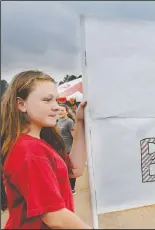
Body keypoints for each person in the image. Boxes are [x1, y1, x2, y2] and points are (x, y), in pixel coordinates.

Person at [1, 70, 92, 229]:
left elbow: (75, 169)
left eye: (56, 100)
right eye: (47, 100)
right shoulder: (29, 151)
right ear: (21, 104)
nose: (56, 107)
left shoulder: (39, 143)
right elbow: (54, 216)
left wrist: (80, 122)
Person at [57, 104, 77, 195]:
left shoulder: (69, 122)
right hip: (60, 150)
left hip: (69, 149)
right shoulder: (57, 122)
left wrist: (75, 148)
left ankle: (72, 188)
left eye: (62, 110)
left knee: (70, 170)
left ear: (66, 111)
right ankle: (66, 188)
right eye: (59, 110)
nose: (60, 112)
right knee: (62, 170)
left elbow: (74, 136)